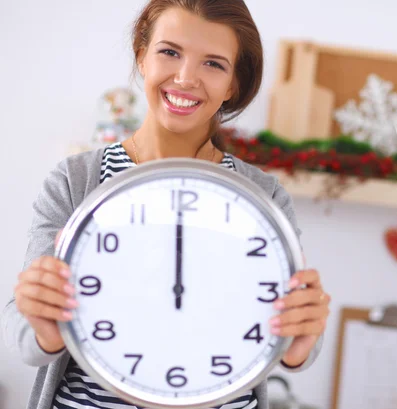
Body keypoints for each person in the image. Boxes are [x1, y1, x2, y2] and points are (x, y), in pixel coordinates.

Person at [1, 1, 331, 408]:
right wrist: (43, 324)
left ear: (232, 85)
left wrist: (300, 341)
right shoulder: (74, 181)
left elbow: (295, 335)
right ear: (142, 56)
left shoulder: (263, 194)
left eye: (213, 64)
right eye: (170, 52)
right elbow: (23, 332)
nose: (186, 77)